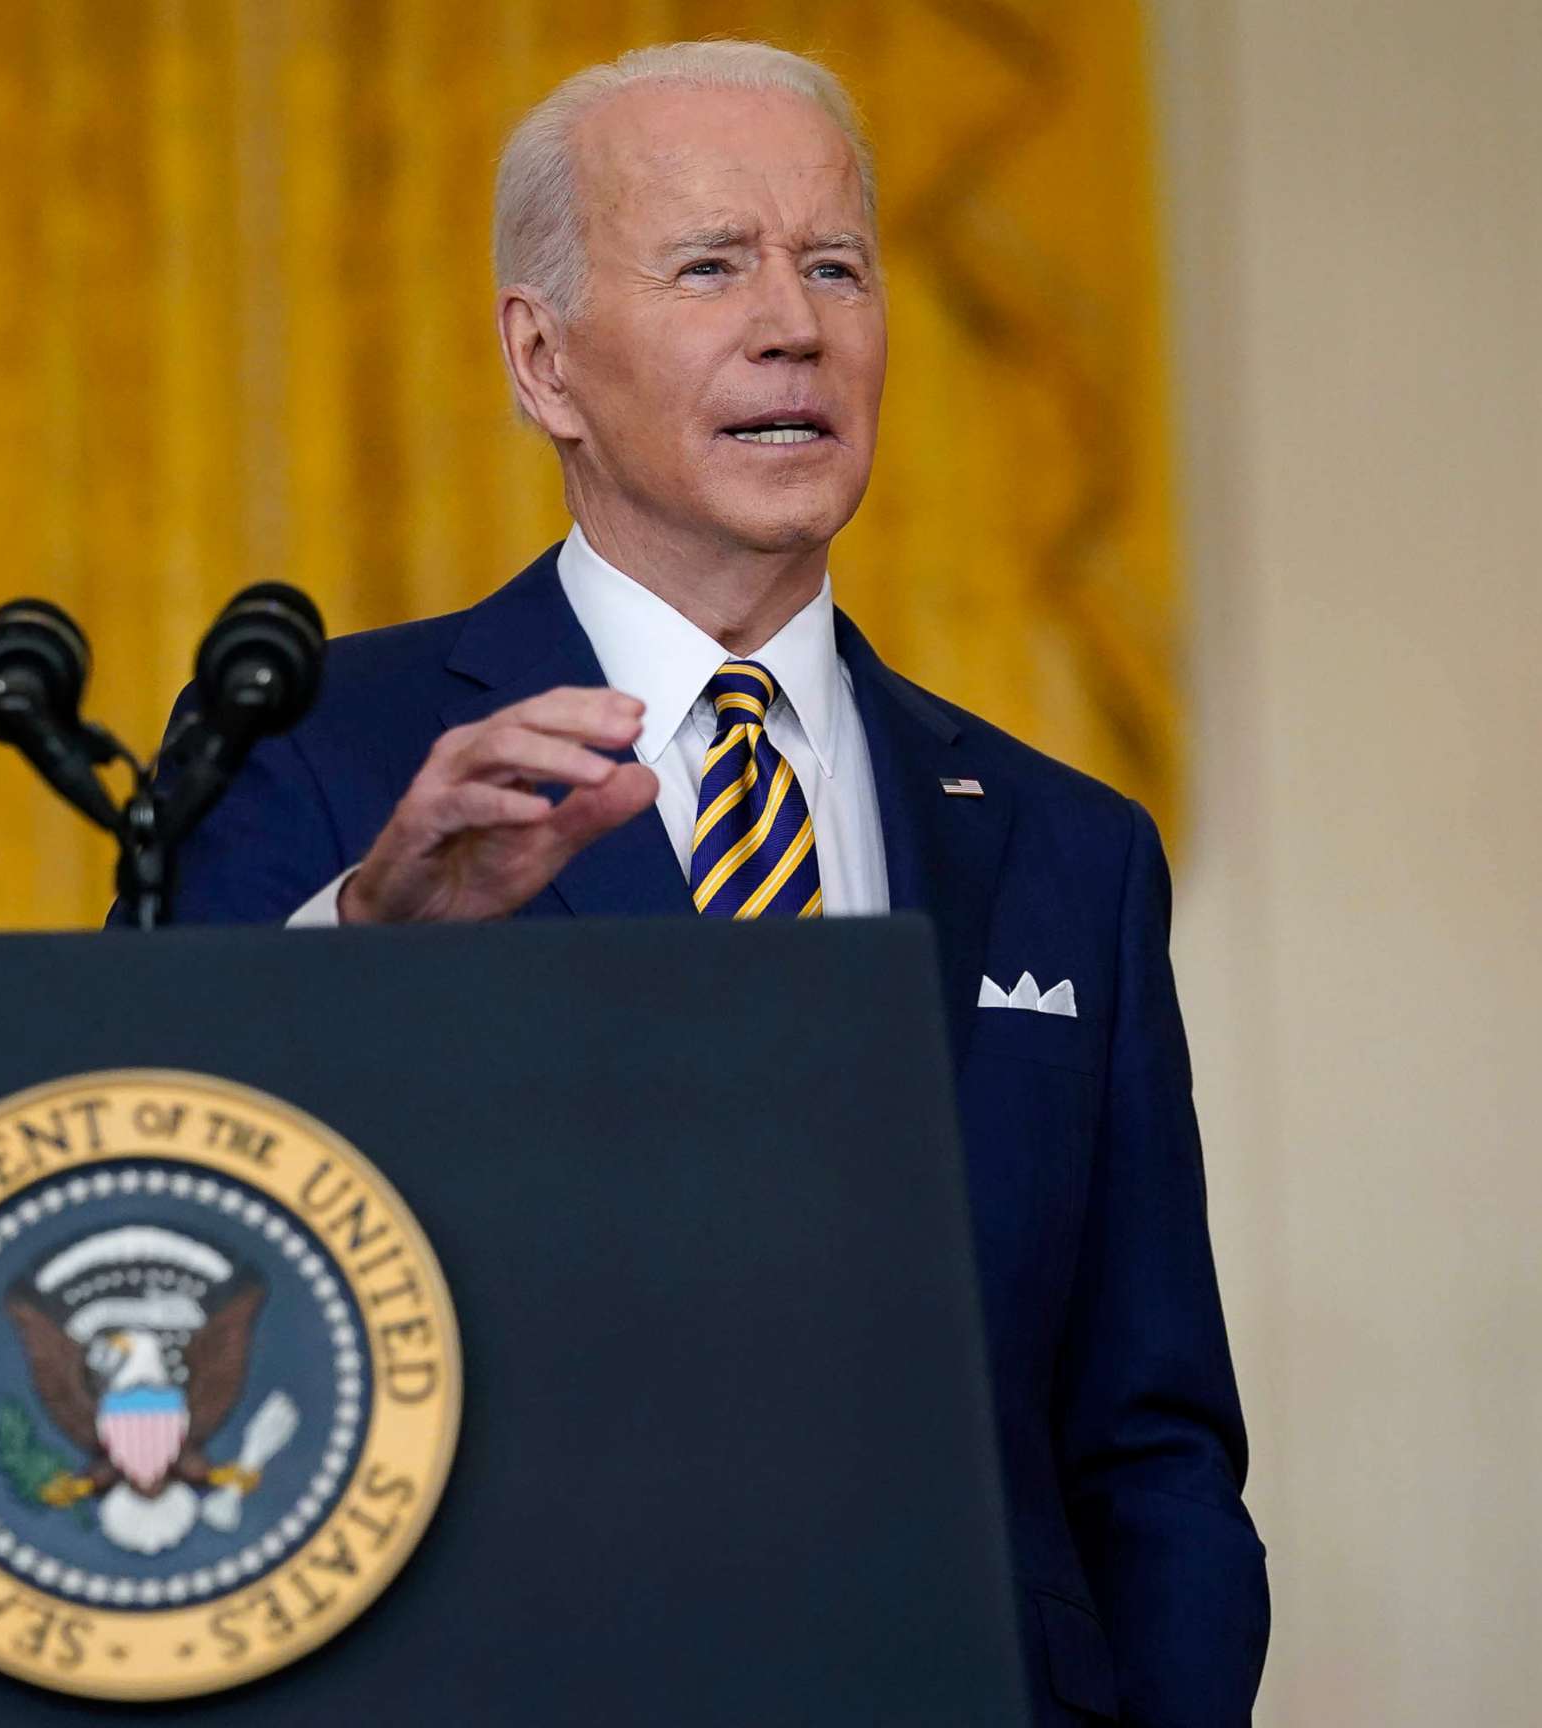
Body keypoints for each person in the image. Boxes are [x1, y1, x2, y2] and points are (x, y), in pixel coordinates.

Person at [131, 41, 1266, 1725]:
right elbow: (143, 1236)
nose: (793, 324)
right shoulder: (316, 756)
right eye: (711, 265)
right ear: (545, 361)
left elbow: (1149, 1444)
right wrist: (364, 944)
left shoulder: (1065, 849)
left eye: (835, 266)